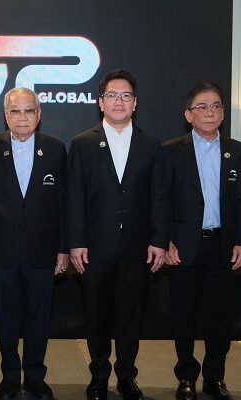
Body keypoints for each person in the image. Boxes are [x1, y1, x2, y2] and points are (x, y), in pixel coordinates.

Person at [66, 70, 169, 400]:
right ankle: (98, 376)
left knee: (130, 316)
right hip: (94, 248)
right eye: (112, 95)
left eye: (126, 96)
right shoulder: (82, 144)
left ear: (135, 103)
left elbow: (159, 198)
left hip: (137, 249)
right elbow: (74, 197)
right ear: (101, 102)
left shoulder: (152, 145)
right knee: (96, 316)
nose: (119, 101)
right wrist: (76, 242)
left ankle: (126, 376)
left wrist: (159, 240)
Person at [0, 87, 68, 400]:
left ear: (39, 115)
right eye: (15, 111)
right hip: (1, 250)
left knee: (40, 318)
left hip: (43, 248)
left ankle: (35, 376)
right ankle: (10, 376)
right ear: (5, 115)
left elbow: (63, 203)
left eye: (29, 111)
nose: (22, 117)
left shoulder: (55, 149)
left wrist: (63, 248)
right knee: (6, 317)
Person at [163, 82, 241, 400]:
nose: (210, 112)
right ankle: (186, 377)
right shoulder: (171, 151)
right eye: (202, 106)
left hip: (223, 246)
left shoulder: (236, 150)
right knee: (183, 316)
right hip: (184, 246)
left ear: (223, 113)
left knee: (220, 318)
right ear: (189, 115)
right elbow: (162, 200)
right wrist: (166, 241)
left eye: (216, 106)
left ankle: (215, 378)